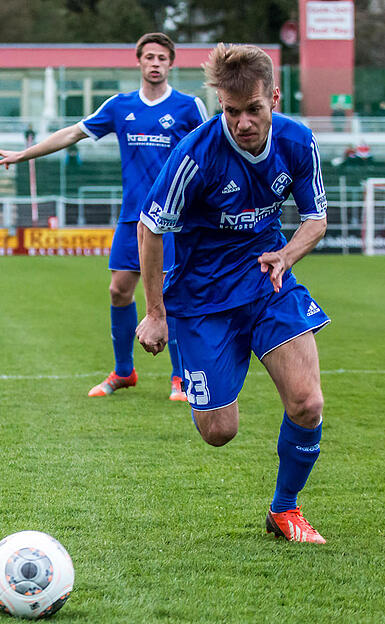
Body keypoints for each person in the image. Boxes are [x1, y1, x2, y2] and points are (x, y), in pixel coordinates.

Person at [136, 43, 330, 543]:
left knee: (307, 403)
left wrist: (285, 256)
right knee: (219, 432)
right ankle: (218, 360)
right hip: (202, 302)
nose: (242, 122)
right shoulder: (194, 156)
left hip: (268, 282)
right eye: (231, 111)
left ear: (275, 99)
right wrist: (155, 313)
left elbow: (316, 219)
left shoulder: (298, 141)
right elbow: (150, 228)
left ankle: (284, 510)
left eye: (253, 110)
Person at [0, 33, 207, 400]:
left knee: (171, 295)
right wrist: (23, 154)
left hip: (173, 219)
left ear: (172, 64)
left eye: (162, 58)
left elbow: (211, 149)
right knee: (119, 290)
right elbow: (73, 132)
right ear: (138, 62)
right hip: (132, 219)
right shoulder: (120, 106)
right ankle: (124, 373)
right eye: (149, 57)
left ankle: (181, 378)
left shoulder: (190, 107)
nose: (155, 63)